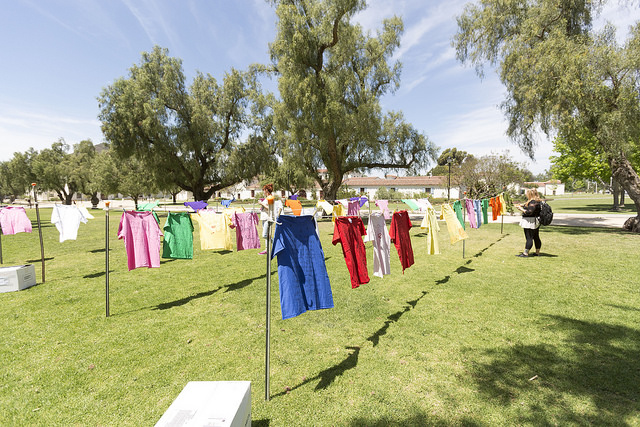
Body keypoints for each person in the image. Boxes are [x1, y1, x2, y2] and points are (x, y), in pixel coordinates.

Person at [515, 188, 542, 257]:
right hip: (536, 221)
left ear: (530, 194)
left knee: (529, 237)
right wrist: (522, 205)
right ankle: (537, 252)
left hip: (530, 222)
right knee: (536, 237)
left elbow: (529, 212)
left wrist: (520, 209)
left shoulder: (532, 202)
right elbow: (530, 207)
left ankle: (525, 253)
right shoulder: (537, 201)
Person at [258, 183, 274, 255]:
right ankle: (267, 249)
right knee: (266, 235)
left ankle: (275, 243)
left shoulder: (270, 197)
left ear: (267, 190)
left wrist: (261, 203)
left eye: (264, 190)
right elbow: (266, 207)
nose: (263, 192)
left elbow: (270, 208)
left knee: (264, 235)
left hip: (268, 218)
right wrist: (262, 207)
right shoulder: (267, 198)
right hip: (264, 218)